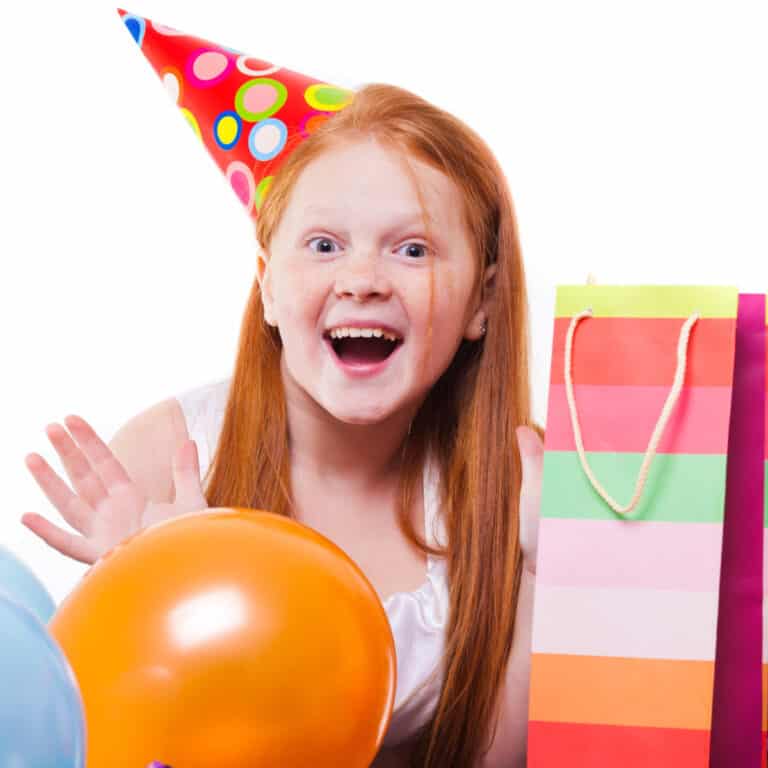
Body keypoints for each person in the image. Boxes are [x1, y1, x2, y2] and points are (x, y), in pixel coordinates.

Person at [21, 15, 545, 766]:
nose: (362, 279)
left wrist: (541, 572)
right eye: (324, 245)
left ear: (482, 303)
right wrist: (152, 588)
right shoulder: (169, 458)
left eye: (413, 248)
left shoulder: (509, 490)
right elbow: (80, 740)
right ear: (267, 286)